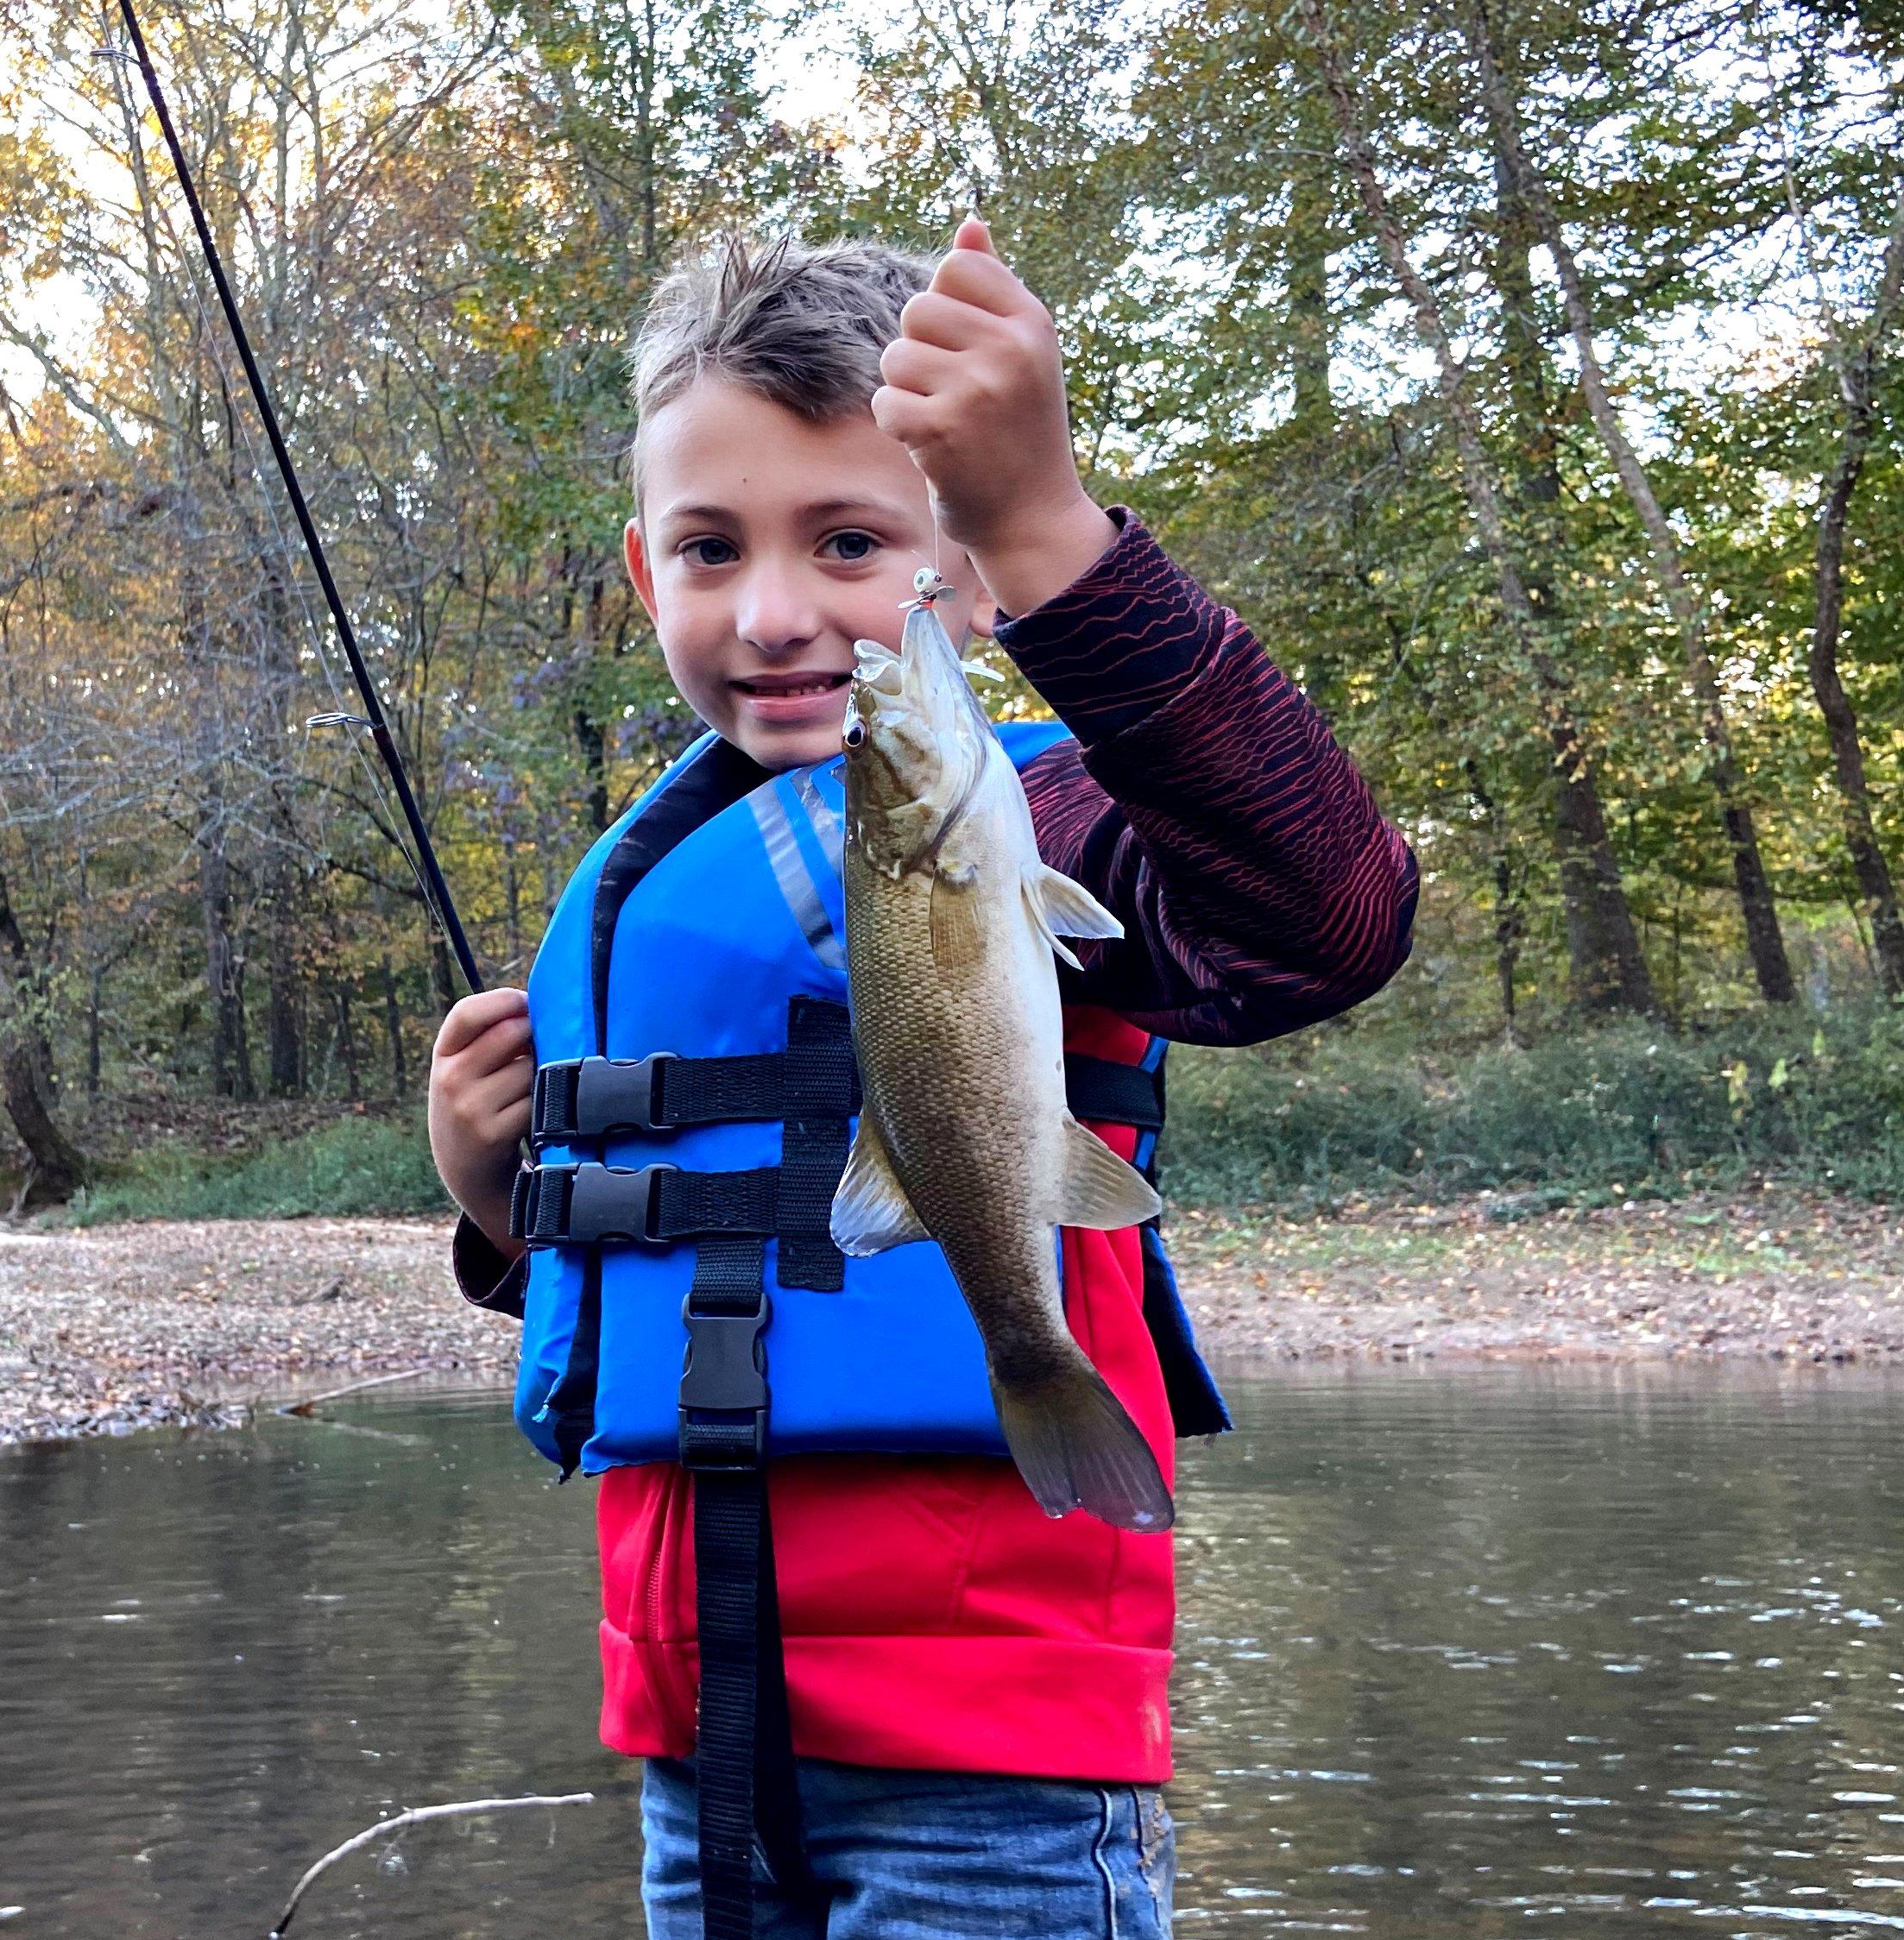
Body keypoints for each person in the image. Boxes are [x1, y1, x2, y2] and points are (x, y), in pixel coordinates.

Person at [425, 224, 1418, 1939]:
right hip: (698, 1744)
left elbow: (1321, 918)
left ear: (957, 569)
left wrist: (1054, 532)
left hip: (994, 1759)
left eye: (852, 539)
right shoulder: (661, 875)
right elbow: (700, 1262)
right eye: (711, 549)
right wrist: (500, 1204)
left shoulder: (1014, 814)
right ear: (646, 580)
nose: (777, 608)